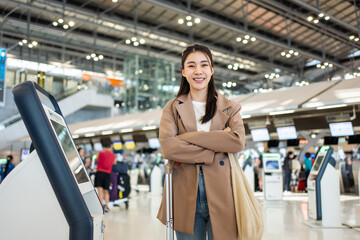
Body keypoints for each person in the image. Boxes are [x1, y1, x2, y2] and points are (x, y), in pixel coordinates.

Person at [157, 44, 245, 240]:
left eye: (204, 65)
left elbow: (237, 142)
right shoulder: (172, 108)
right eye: (191, 66)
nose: (198, 71)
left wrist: (186, 138)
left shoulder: (230, 107)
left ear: (212, 70)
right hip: (184, 192)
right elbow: (169, 147)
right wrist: (215, 149)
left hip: (224, 191)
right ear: (183, 71)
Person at [94, 142, 117, 212]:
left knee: (100, 191)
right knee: (106, 191)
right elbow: (114, 163)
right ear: (110, 148)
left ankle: (101, 206)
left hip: (99, 173)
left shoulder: (100, 153)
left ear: (103, 148)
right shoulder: (113, 155)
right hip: (107, 174)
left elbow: (96, 160)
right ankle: (106, 205)